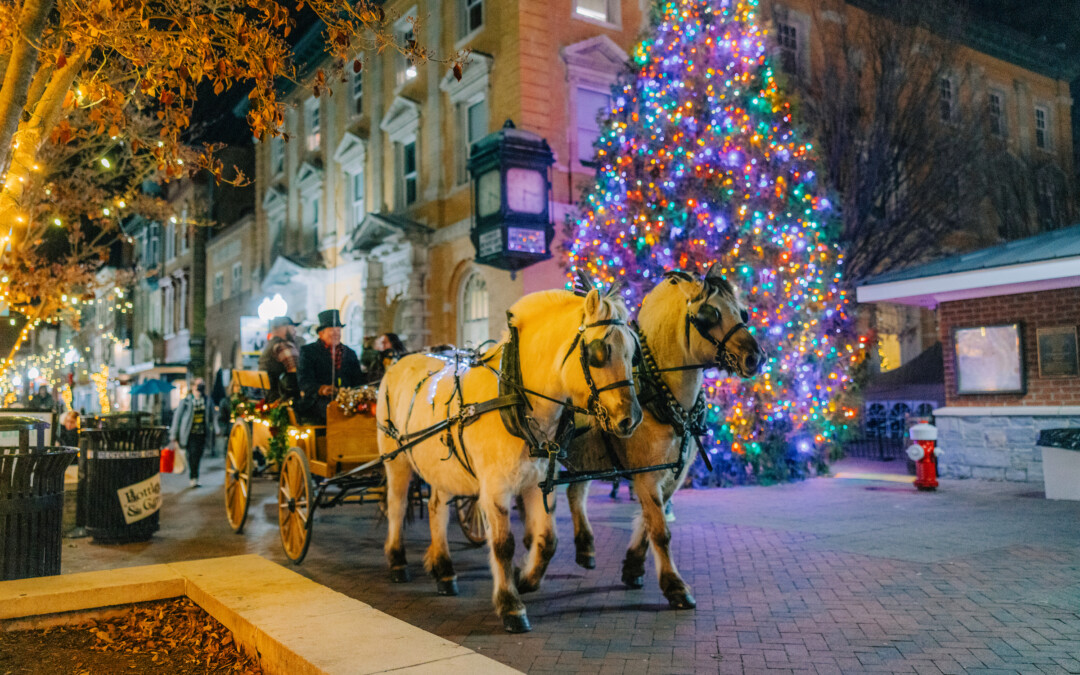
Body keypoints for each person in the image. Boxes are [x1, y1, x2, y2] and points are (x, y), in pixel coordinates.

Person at [298, 310, 363, 424]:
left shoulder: (350, 353)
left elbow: (358, 379)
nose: (336, 333)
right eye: (332, 330)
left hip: (348, 399)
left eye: (338, 330)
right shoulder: (308, 352)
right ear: (321, 333)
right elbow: (304, 380)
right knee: (334, 411)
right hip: (317, 401)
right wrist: (321, 389)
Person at [170, 378, 215, 488]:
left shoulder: (207, 400)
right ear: (193, 386)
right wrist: (173, 435)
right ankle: (193, 477)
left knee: (198, 455)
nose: (199, 387)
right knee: (193, 455)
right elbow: (177, 418)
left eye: (202, 385)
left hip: (202, 433)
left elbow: (211, 417)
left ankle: (194, 477)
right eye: (198, 385)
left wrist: (214, 430)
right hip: (189, 433)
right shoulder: (186, 401)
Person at [259, 315, 301, 402]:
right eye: (292, 328)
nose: (295, 332)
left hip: (270, 396)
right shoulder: (283, 346)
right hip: (282, 399)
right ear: (282, 328)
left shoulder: (270, 345)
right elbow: (296, 372)